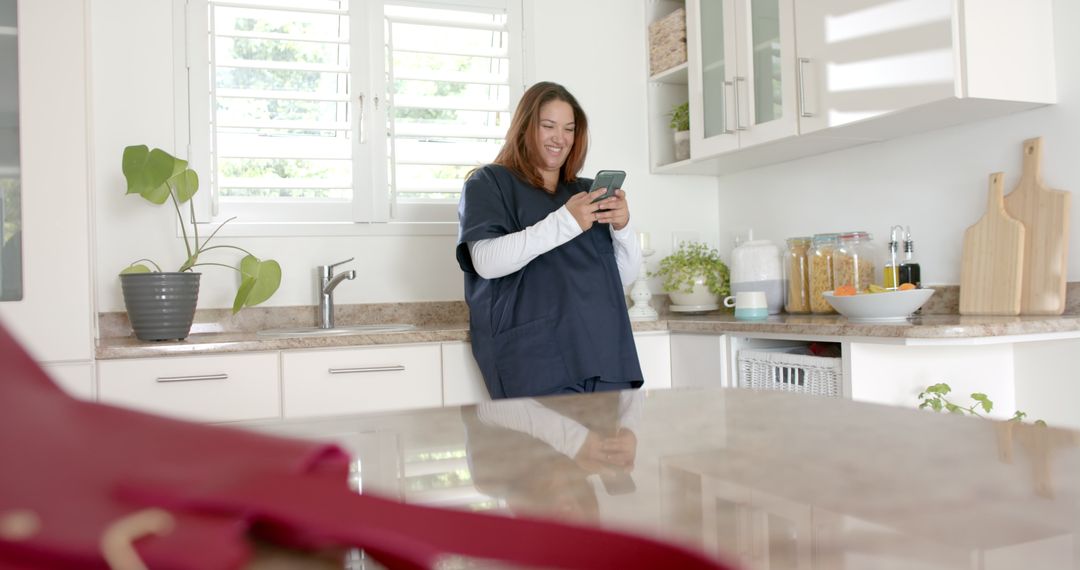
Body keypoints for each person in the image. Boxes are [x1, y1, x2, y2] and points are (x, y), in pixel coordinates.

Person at [456, 81, 644, 399]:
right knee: (546, 449)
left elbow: (623, 277)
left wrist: (623, 227)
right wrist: (566, 222)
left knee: (614, 449)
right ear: (526, 127)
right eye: (549, 126)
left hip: (606, 354)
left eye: (569, 129)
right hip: (537, 360)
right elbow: (486, 263)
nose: (560, 138)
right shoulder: (488, 182)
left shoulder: (585, 191)